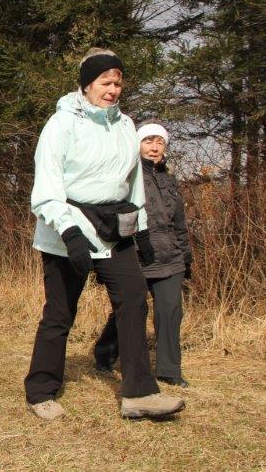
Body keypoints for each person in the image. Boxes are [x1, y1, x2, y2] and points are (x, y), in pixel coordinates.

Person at [24, 48, 185, 421]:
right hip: (67, 231)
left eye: (118, 83)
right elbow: (46, 190)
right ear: (86, 84)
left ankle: (139, 393)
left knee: (134, 300)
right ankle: (41, 391)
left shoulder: (125, 125)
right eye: (105, 82)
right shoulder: (61, 124)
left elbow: (133, 183)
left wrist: (141, 232)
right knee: (60, 312)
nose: (112, 90)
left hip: (114, 231)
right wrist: (70, 234)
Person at [93, 122, 193, 387]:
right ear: (137, 145)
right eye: (148, 141)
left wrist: (186, 257)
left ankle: (169, 371)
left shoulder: (170, 180)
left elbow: (179, 223)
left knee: (170, 312)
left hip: (170, 258)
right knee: (131, 309)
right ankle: (105, 352)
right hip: (135, 256)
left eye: (159, 142)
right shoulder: (128, 176)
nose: (154, 147)